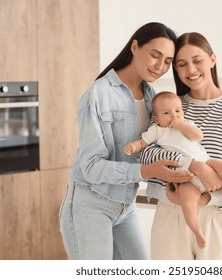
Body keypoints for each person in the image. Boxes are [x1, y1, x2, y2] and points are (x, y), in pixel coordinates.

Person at [58, 22, 195, 260]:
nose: (160, 66)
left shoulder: (152, 96)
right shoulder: (99, 93)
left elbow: (157, 144)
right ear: (134, 47)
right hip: (90, 203)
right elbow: (91, 167)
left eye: (167, 61)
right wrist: (146, 170)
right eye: (155, 55)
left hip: (126, 204)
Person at [140, 32, 222, 260]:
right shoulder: (171, 107)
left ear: (212, 60)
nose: (191, 70)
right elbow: (146, 155)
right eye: (182, 64)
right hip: (170, 215)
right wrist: (194, 166)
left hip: (218, 218)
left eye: (197, 60)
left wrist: (201, 200)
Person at [124, 91, 222, 248]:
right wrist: (133, 146)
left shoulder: (187, 125)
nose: (174, 116)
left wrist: (181, 125)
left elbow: (198, 136)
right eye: (167, 113)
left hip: (207, 162)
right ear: (157, 119)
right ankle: (198, 233)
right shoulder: (157, 130)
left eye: (177, 111)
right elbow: (143, 144)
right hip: (186, 177)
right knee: (188, 204)